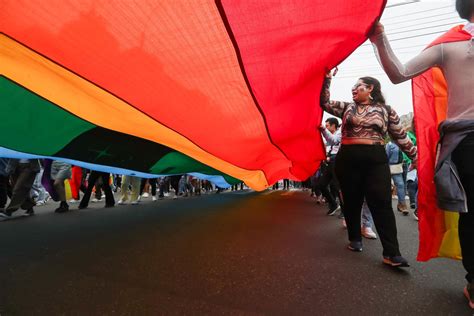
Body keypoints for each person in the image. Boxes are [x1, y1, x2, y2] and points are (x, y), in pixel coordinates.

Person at [370, 0, 474, 307]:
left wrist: (380, 39)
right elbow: (400, 75)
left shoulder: (449, 47)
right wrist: (379, 38)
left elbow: (399, 73)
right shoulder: (451, 45)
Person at [320, 71, 417, 267]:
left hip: (376, 160)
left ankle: (392, 253)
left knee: (381, 203)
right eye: (354, 87)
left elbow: (400, 136)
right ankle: (355, 240)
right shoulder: (347, 108)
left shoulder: (387, 110)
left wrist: (416, 156)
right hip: (347, 160)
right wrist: (327, 79)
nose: (353, 89)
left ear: (371, 89)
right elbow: (324, 102)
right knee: (352, 201)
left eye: (359, 86)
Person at [319, 117, 343, 216]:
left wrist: (323, 130)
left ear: (334, 125)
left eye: (327, 125)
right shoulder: (329, 137)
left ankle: (344, 211)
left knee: (338, 187)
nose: (326, 127)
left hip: (337, 161)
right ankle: (333, 204)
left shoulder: (340, 133)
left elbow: (333, 140)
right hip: (330, 162)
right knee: (321, 184)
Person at [386, 140, 409, 215]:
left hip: (405, 164)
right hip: (395, 166)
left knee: (404, 185)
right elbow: (386, 157)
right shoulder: (389, 145)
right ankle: (403, 205)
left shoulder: (404, 142)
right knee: (400, 184)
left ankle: (400, 204)